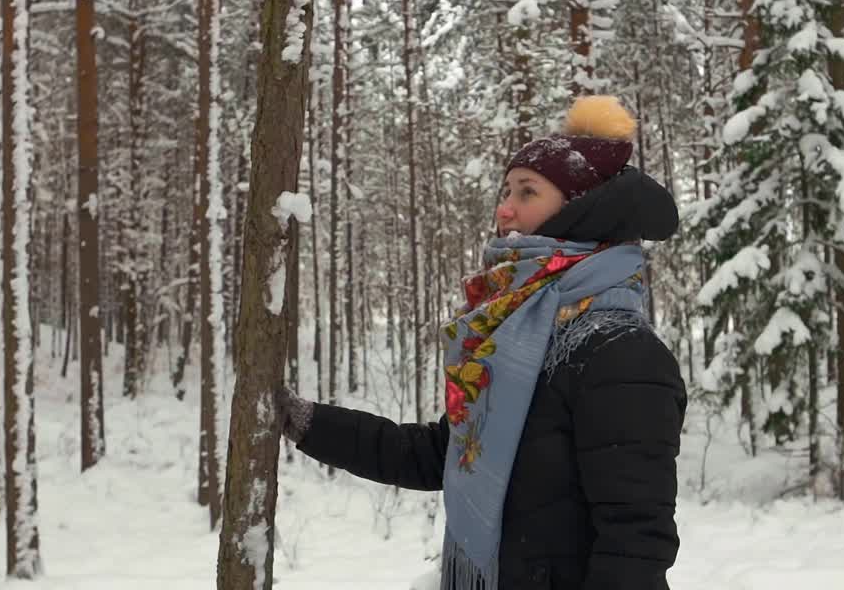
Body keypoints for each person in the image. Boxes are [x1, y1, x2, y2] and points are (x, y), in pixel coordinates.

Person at [278, 96, 686, 590]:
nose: (504, 208)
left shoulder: (619, 352)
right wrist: (311, 424)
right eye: (507, 189)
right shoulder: (521, 331)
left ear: (583, 210)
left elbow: (636, 543)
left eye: (527, 192)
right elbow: (444, 453)